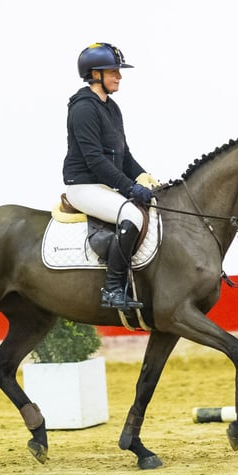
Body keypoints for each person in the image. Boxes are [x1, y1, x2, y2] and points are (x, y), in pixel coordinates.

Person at [62, 42, 159, 311]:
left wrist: (144, 177)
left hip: (105, 186)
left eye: (118, 70)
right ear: (95, 74)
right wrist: (129, 188)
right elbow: (95, 160)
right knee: (132, 215)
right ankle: (113, 289)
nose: (119, 76)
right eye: (113, 71)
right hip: (84, 186)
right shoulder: (83, 108)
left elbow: (124, 155)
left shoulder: (111, 107)